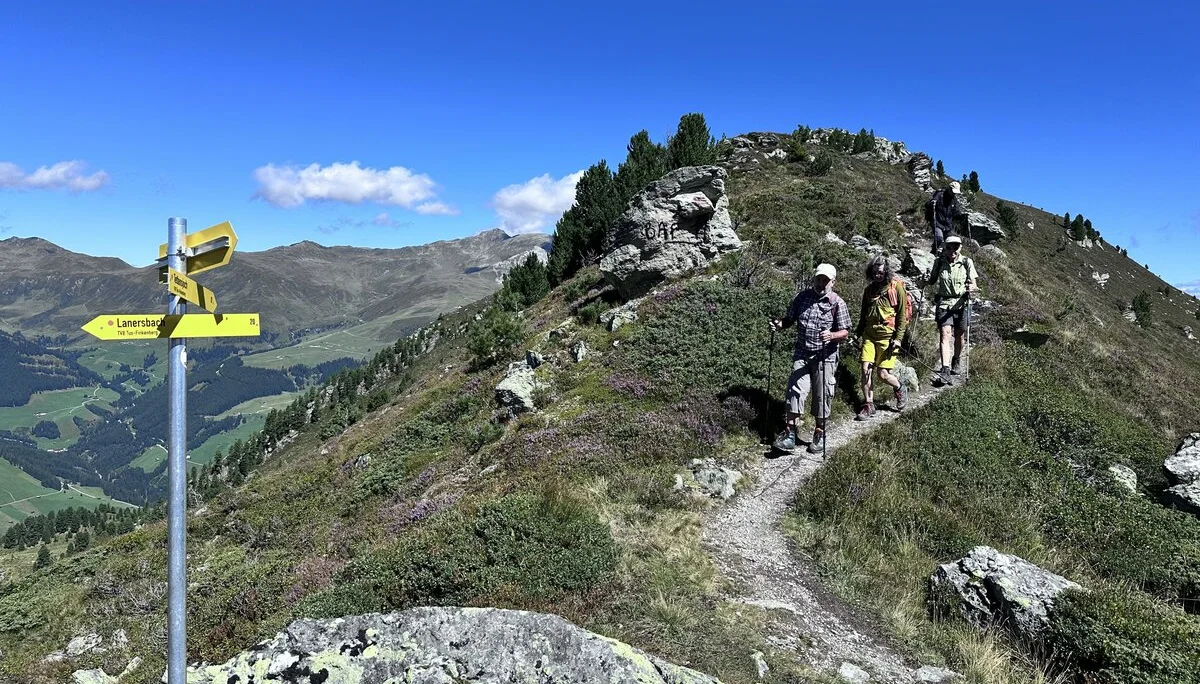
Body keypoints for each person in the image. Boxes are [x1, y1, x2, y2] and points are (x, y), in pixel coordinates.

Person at [769, 263, 852, 454]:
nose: (821, 283)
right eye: (818, 279)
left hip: (826, 355)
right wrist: (779, 326)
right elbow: (789, 319)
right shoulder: (802, 297)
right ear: (814, 279)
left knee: (823, 395)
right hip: (802, 352)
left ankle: (820, 433)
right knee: (795, 390)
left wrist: (831, 335)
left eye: (825, 280)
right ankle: (790, 434)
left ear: (832, 282)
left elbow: (845, 331)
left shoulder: (837, 303)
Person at [852, 255, 909, 419]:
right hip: (869, 335)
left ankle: (899, 387)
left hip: (888, 338)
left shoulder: (896, 288)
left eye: (881, 273)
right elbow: (863, 316)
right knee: (865, 369)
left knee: (883, 374)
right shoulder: (868, 291)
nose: (878, 276)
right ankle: (868, 404)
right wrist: (857, 334)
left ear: (887, 273)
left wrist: (898, 339)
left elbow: (901, 317)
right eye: (875, 273)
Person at [926, 235, 978, 386]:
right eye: (949, 247)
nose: (952, 250)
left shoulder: (967, 262)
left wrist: (971, 288)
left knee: (959, 336)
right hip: (944, 303)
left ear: (960, 247)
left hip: (962, 303)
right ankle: (945, 369)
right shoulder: (939, 262)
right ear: (944, 248)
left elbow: (974, 284)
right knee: (945, 335)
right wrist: (925, 280)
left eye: (956, 247)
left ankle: (956, 359)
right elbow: (932, 280)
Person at [925, 181, 966, 253]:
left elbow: (956, 212)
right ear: (949, 189)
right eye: (953, 192)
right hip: (937, 222)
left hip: (947, 226)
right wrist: (932, 203)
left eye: (955, 193)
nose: (954, 194)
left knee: (951, 242)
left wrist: (962, 216)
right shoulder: (940, 194)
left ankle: (944, 255)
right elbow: (931, 203)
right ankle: (934, 252)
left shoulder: (954, 200)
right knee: (939, 238)